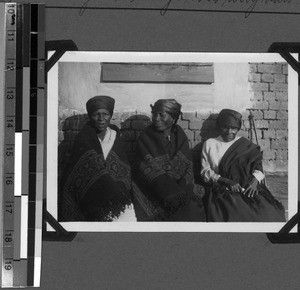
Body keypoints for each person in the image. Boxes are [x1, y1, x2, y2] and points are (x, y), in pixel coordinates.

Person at [59, 95, 136, 222]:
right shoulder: (83, 139)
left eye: (105, 114)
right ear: (90, 116)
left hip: (117, 198)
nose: (101, 119)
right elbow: (75, 174)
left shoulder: (116, 137)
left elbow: (124, 168)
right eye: (96, 114)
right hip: (92, 196)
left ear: (110, 115)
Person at [200, 108, 285, 222]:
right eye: (225, 127)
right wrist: (226, 181)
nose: (230, 132)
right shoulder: (210, 144)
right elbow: (205, 171)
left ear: (238, 128)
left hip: (248, 186)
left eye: (234, 128)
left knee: (268, 213)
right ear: (219, 126)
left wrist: (254, 182)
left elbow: (258, 167)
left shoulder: (245, 144)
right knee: (237, 213)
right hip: (223, 188)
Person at [134, 99, 205, 221]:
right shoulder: (145, 137)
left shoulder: (179, 135)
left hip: (180, 186)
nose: (156, 118)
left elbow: (187, 164)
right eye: (154, 114)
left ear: (173, 118)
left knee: (192, 207)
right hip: (154, 188)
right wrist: (172, 190)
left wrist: (180, 186)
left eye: (162, 115)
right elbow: (147, 167)